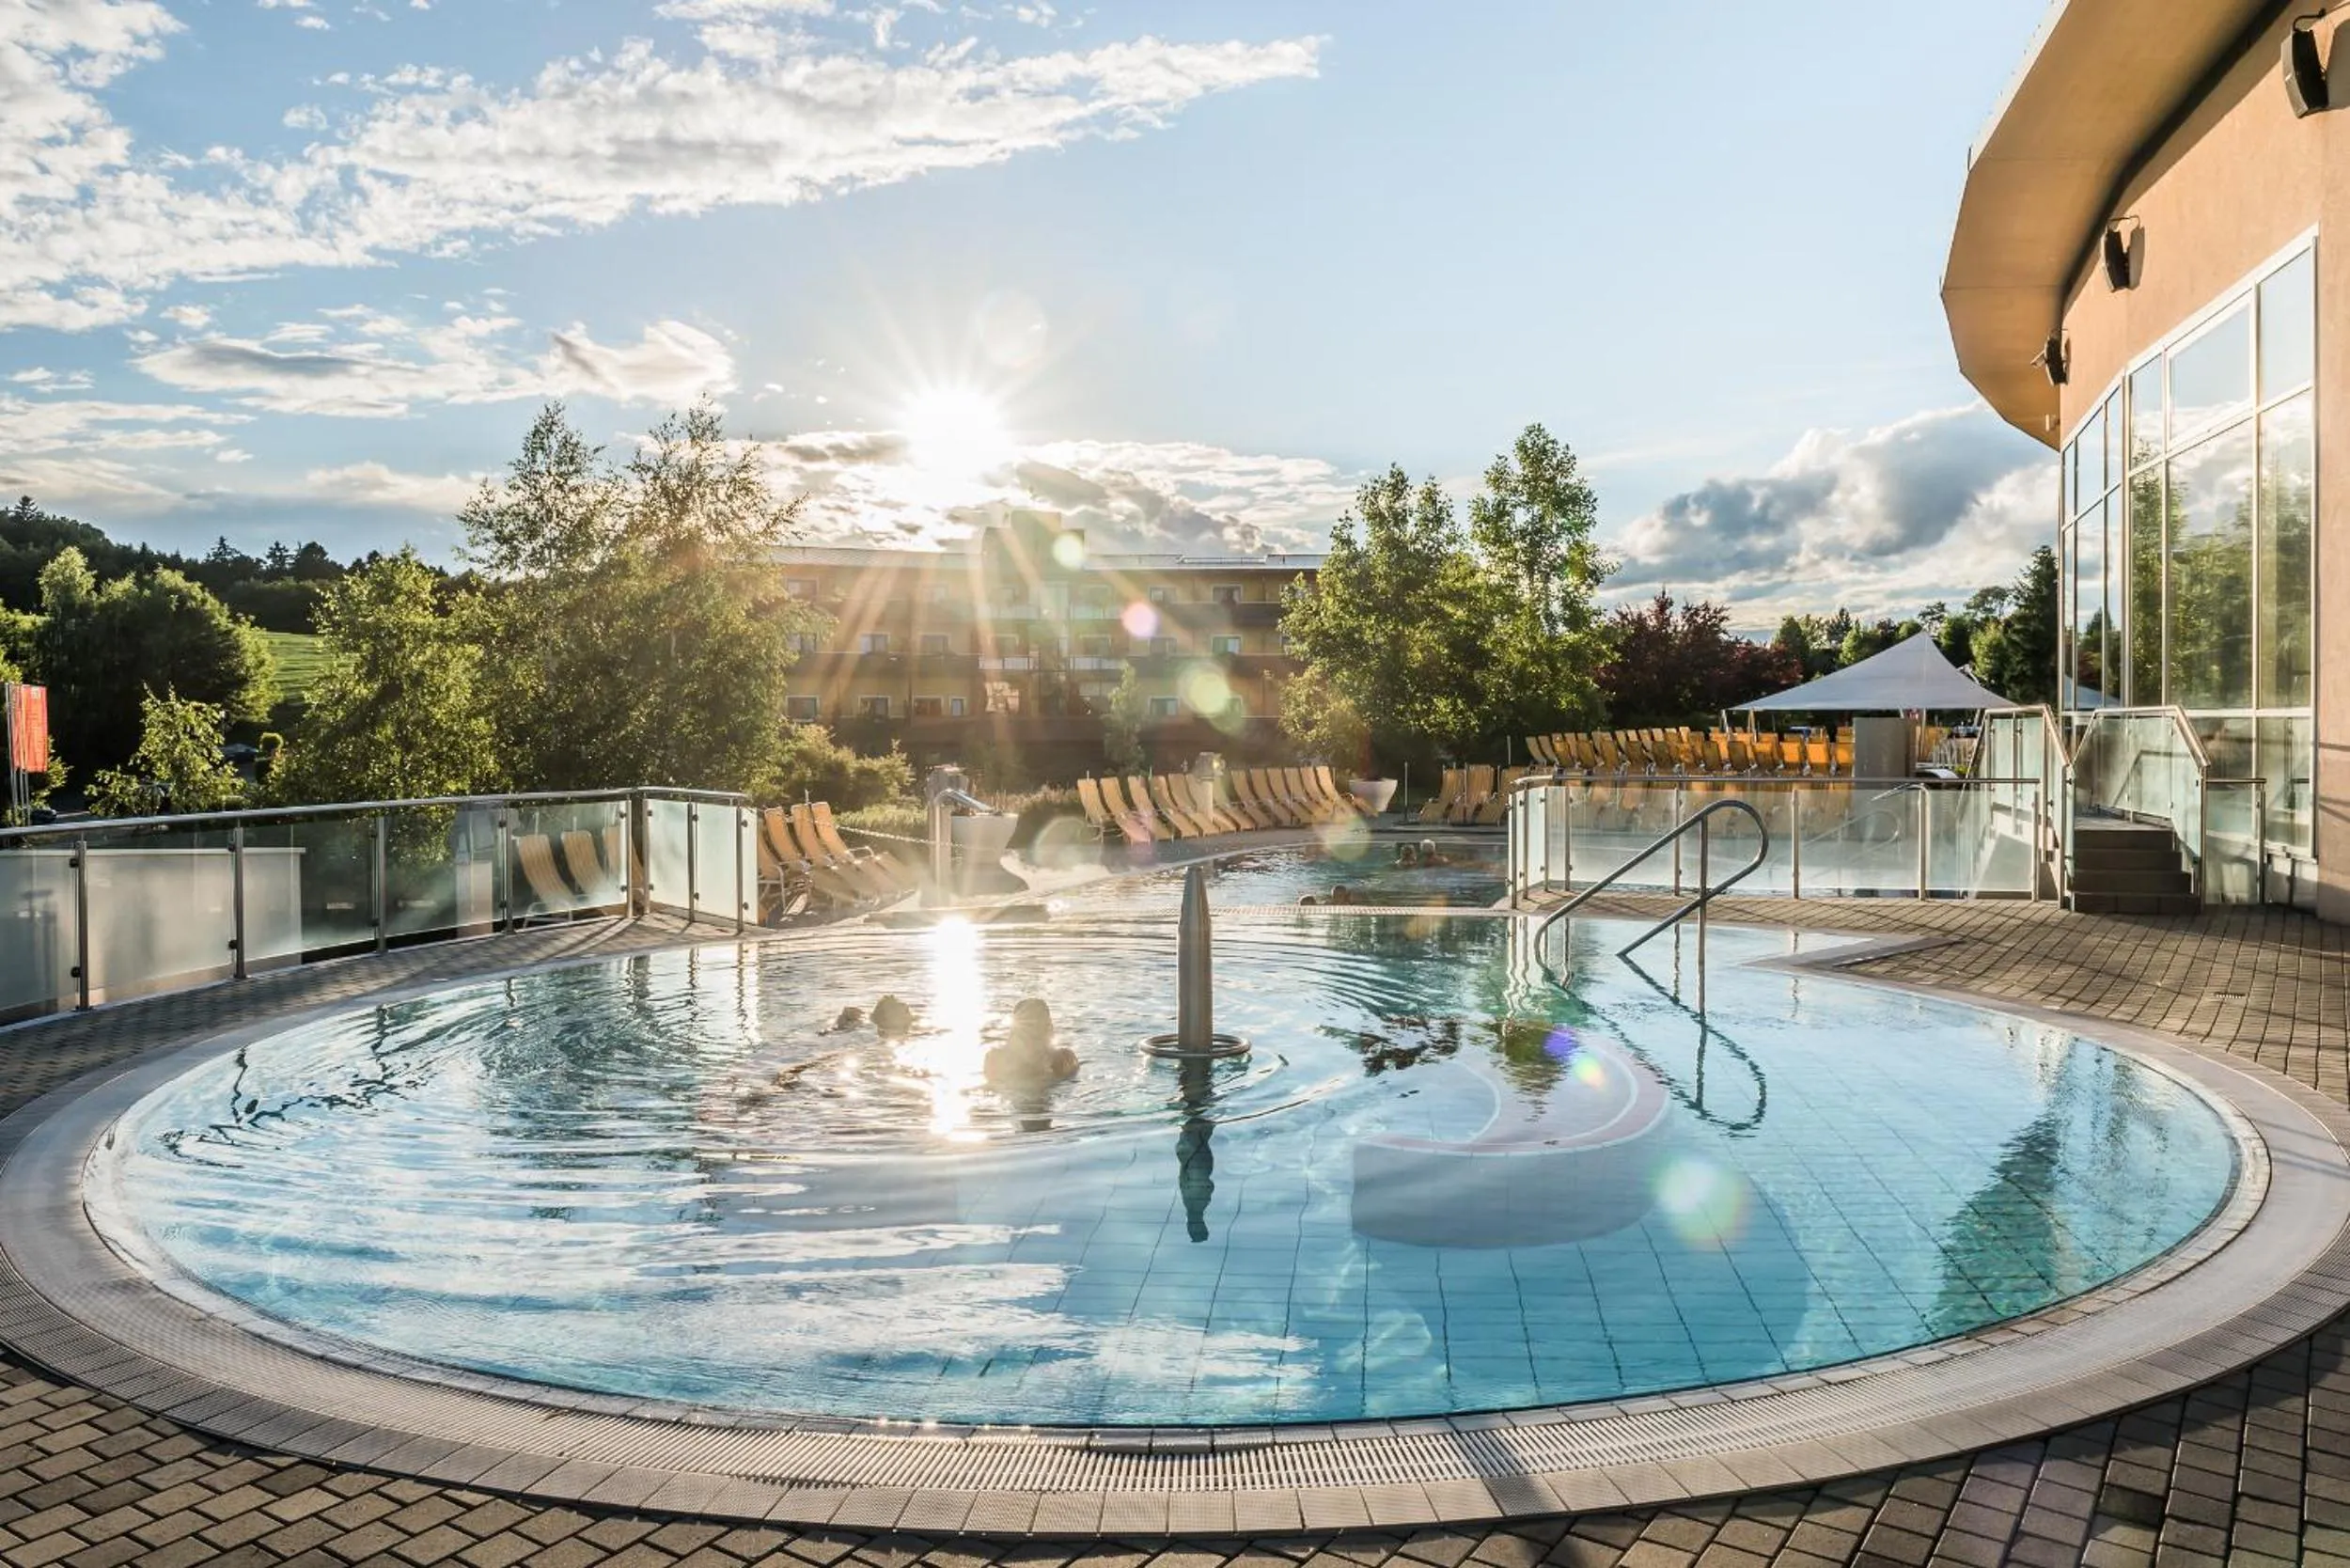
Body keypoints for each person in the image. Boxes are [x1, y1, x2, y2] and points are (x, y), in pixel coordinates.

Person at [985, 996, 1079, 1087]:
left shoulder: (1064, 1059)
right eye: (1031, 1024)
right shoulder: (996, 1058)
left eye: (1039, 1023)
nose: (1035, 1029)